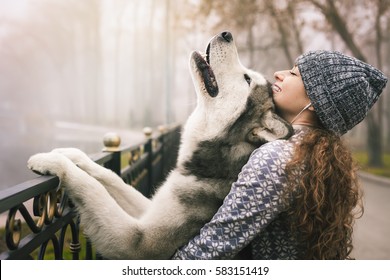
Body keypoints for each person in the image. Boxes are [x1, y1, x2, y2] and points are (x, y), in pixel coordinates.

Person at [172, 50, 388, 260]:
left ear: (315, 101)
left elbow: (216, 244)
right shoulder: (315, 156)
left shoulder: (278, 158)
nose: (279, 74)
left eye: (294, 73)